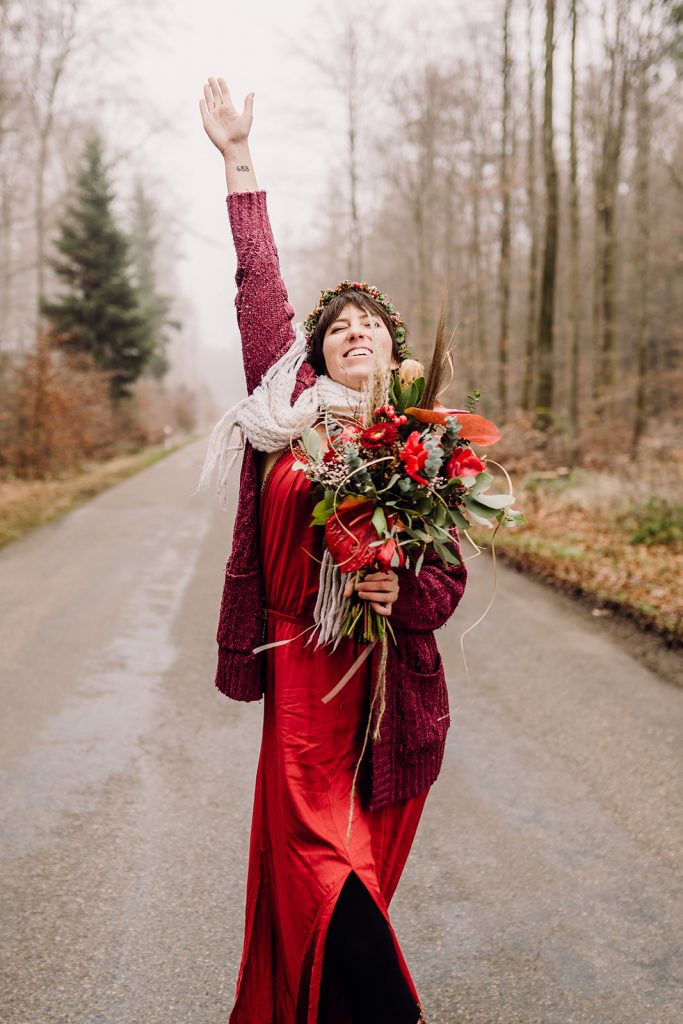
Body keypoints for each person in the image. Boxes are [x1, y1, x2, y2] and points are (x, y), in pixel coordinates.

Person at [197, 76, 468, 1024]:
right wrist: (237, 157)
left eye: (372, 325)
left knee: (357, 894)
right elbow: (259, 289)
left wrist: (408, 594)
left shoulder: (420, 444)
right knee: (327, 887)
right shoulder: (285, 418)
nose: (355, 329)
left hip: (392, 700)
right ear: (311, 354)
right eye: (337, 325)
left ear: (395, 356)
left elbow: (447, 577)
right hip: (305, 693)